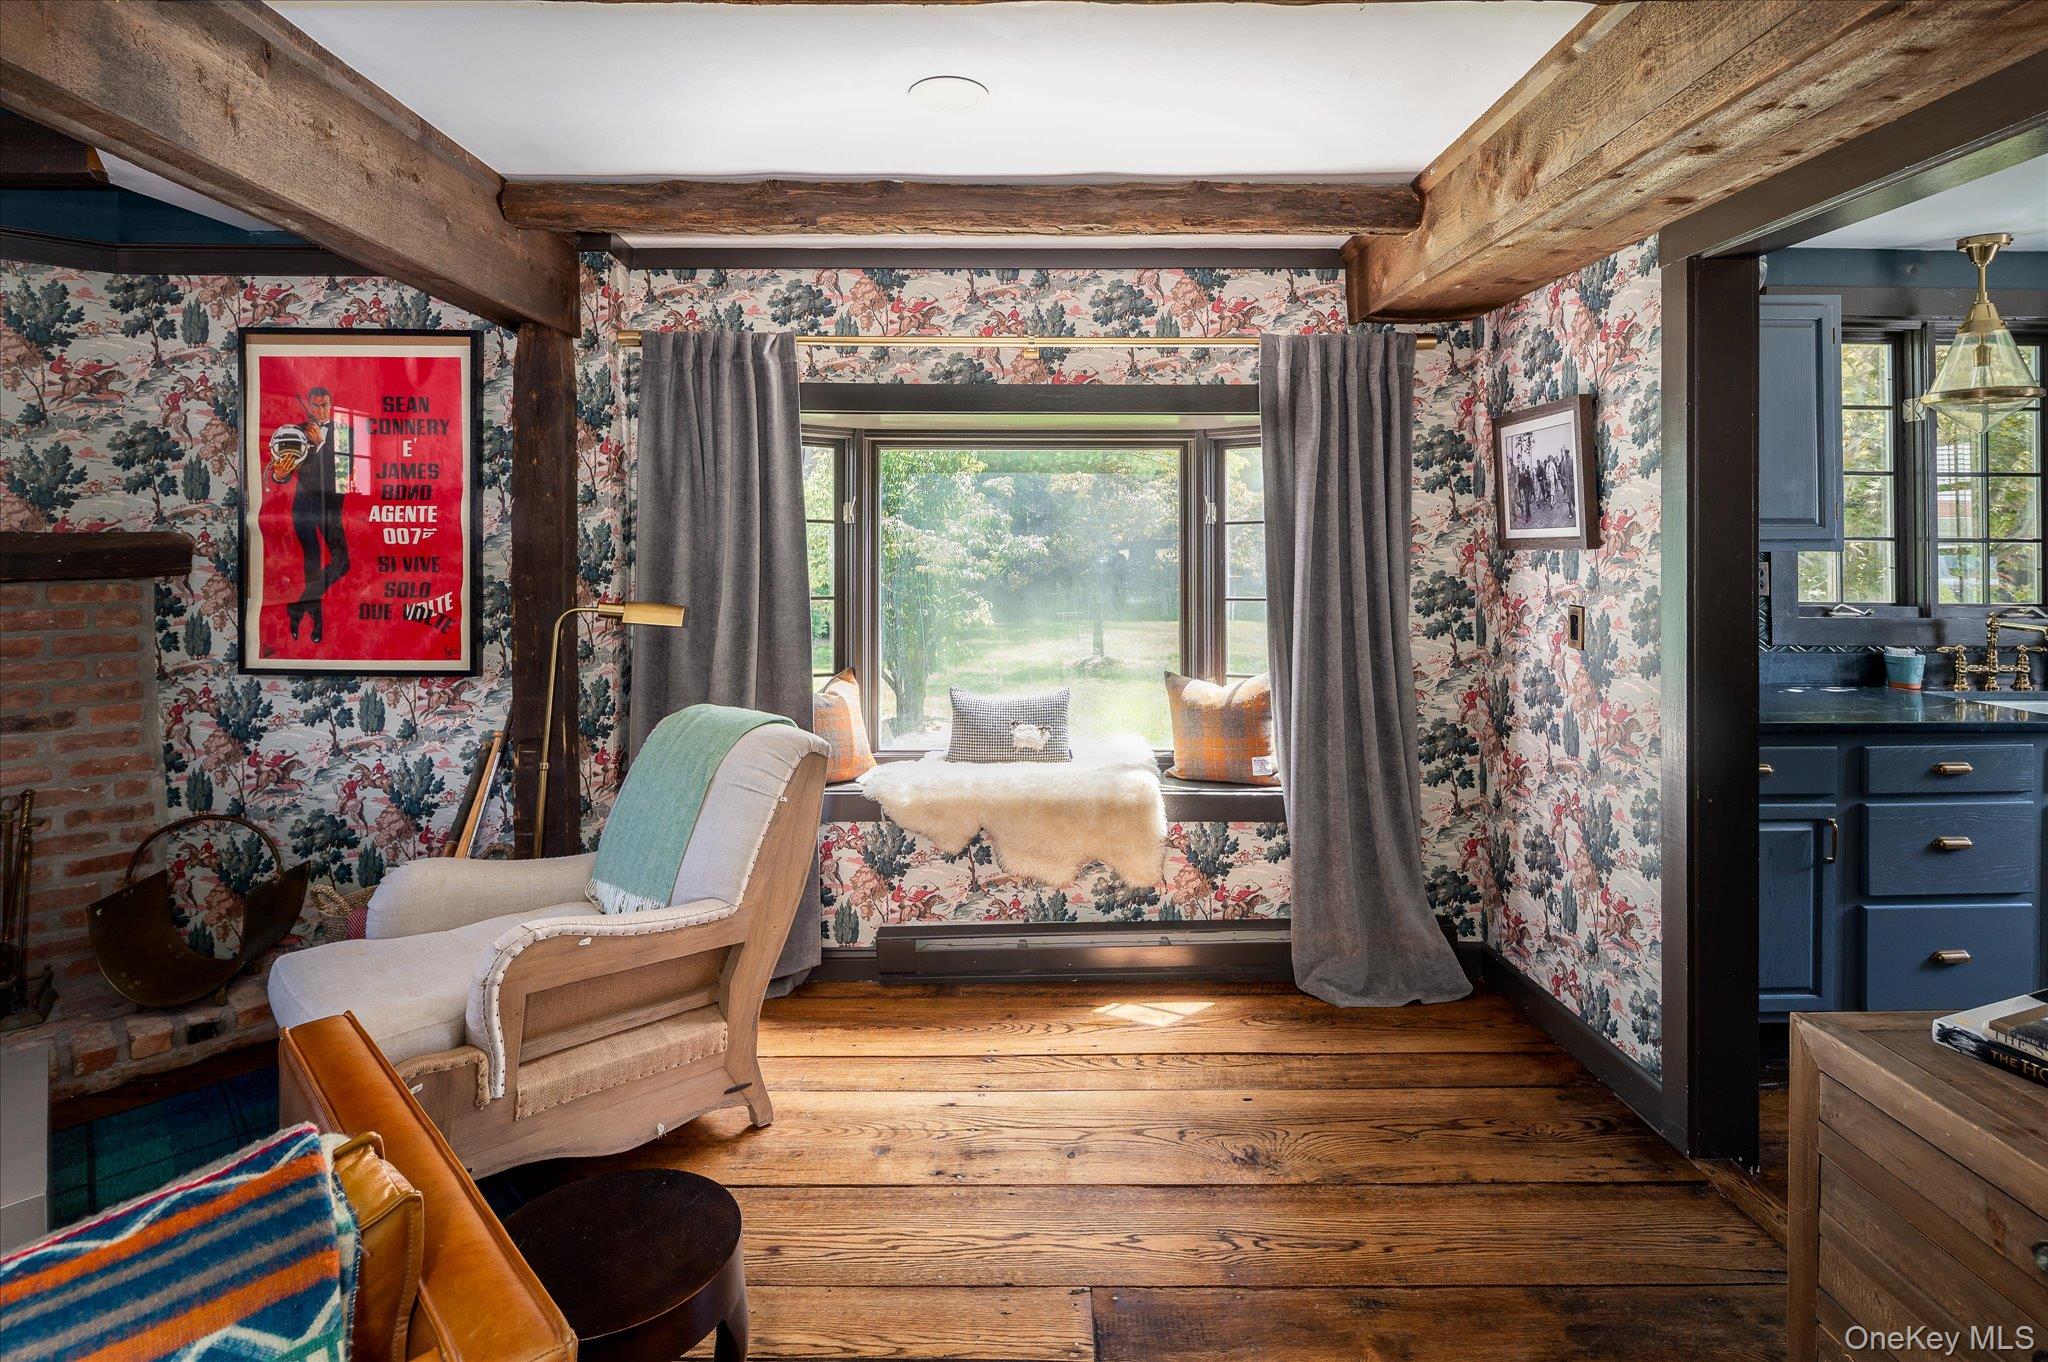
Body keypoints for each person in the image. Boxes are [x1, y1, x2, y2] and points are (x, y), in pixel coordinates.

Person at [275, 386, 351, 643]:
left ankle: (297, 607)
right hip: (305, 507)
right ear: (308, 407)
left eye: (324, 405)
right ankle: (317, 621)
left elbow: (345, 472)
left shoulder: (343, 432)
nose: (320, 411)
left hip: (331, 508)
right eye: (315, 406)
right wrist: (280, 474)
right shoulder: (296, 433)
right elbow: (283, 472)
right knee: (312, 563)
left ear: (332, 405)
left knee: (342, 563)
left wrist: (321, 443)